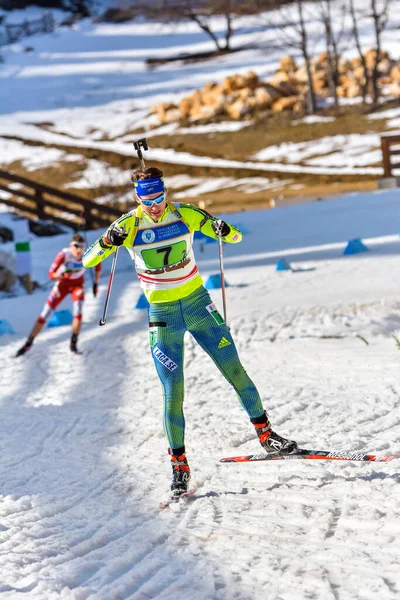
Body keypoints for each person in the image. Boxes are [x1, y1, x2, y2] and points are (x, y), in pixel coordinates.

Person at [83, 167, 297, 498]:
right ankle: (179, 466)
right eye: (147, 200)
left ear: (164, 192)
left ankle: (268, 436)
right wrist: (107, 241)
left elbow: (234, 236)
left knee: (235, 370)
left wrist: (225, 230)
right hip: (163, 315)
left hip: (198, 304)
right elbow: (88, 260)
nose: (154, 206)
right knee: (173, 391)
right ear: (137, 198)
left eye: (159, 198)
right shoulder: (128, 225)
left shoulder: (184, 213)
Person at [16, 233, 101, 357]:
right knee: (45, 313)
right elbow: (51, 274)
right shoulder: (64, 255)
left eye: (81, 247)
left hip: (77, 286)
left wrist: (96, 284)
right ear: (70, 246)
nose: (78, 250)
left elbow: (98, 267)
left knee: (78, 310)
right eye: (76, 246)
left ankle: (73, 343)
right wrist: (59, 275)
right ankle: (29, 342)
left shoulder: (87, 255)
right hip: (62, 286)